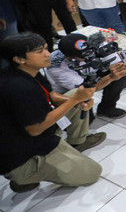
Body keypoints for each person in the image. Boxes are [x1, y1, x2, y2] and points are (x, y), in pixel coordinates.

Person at [0, 33, 103, 193]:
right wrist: (74, 100)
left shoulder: (26, 71)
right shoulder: (19, 88)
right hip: (23, 153)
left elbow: (50, 95)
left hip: (36, 132)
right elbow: (35, 129)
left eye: (46, 48)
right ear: (20, 59)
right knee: (93, 173)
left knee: (75, 96)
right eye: (39, 51)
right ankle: (23, 177)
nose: (47, 54)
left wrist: (77, 99)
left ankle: (77, 141)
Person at [47, 33, 126, 119]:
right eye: (86, 55)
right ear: (70, 57)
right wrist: (110, 77)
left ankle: (106, 108)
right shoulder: (56, 67)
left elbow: (118, 61)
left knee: (119, 72)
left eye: (92, 50)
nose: (91, 54)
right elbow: (84, 90)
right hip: (69, 89)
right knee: (87, 117)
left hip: (86, 74)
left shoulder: (93, 43)